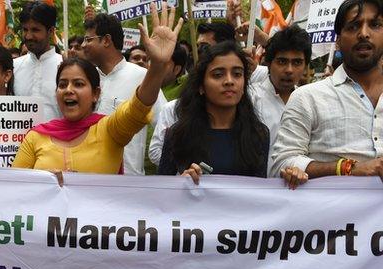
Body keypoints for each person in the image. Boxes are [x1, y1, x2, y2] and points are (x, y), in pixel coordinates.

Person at [12, 3, 182, 174]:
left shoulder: (109, 131)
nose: (69, 90)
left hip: (125, 189)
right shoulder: (35, 138)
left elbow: (138, 110)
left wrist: (158, 66)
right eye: (62, 85)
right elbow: (17, 185)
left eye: (78, 84)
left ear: (95, 94)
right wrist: (45, 180)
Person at [272, 0, 383, 188]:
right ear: (338, 41)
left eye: (375, 25)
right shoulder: (307, 98)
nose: (364, 33)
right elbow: (280, 165)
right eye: (353, 26)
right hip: (332, 217)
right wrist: (346, 169)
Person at [158, 41, 269, 182]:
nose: (229, 81)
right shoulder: (178, 134)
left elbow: (259, 192)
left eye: (237, 74)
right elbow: (161, 190)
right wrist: (181, 183)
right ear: (201, 86)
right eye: (218, 75)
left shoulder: (258, 134)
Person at [82, 13, 167, 175]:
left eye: (88, 39)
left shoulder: (142, 77)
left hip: (128, 182)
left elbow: (165, 125)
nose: (83, 45)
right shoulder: (85, 79)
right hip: (88, 179)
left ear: (106, 40)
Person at [250, 25, 311, 173]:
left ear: (305, 67)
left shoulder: (311, 102)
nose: (289, 70)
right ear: (269, 64)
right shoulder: (250, 98)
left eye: (297, 62)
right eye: (282, 62)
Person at [13, 1, 62, 120]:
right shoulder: (14, 66)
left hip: (58, 138)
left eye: (35, 30)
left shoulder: (65, 66)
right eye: (25, 30)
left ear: (50, 31)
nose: (28, 36)